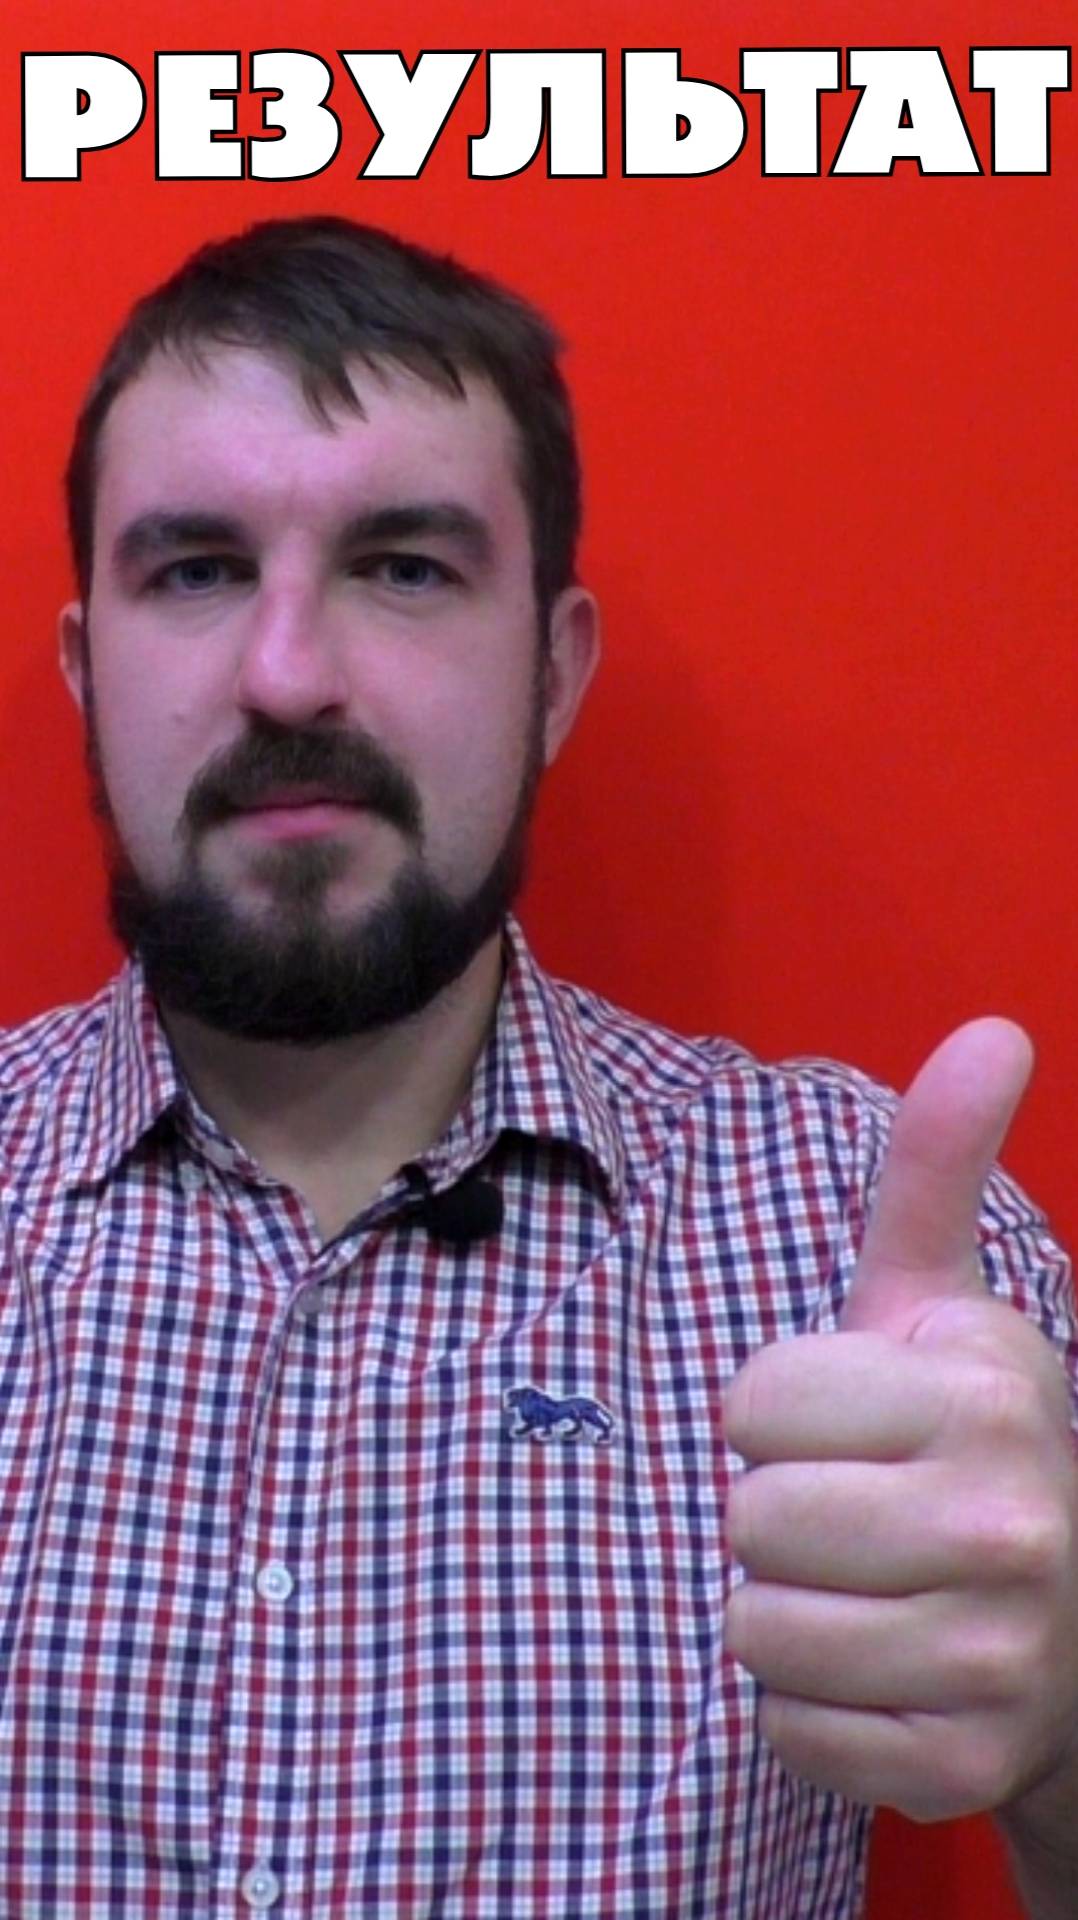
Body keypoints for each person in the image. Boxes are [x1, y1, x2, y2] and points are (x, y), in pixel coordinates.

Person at [0, 215, 1075, 1919]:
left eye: (403, 568)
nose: (288, 674)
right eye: (195, 571)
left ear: (553, 672)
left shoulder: (857, 1245)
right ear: (83, 673)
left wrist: (1066, 1734)